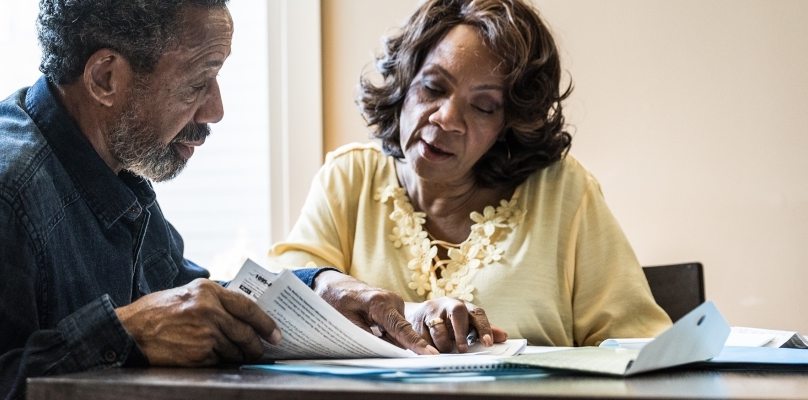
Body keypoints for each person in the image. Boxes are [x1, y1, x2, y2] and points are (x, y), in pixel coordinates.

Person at [0, 1, 502, 399]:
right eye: (199, 83)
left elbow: (194, 304)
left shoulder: (110, 172)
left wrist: (323, 289)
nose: (217, 110)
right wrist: (121, 334)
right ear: (107, 77)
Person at [269, 0, 672, 349]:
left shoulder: (564, 192)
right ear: (407, 79)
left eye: (483, 106)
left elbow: (639, 346)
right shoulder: (350, 176)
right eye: (432, 86)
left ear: (510, 124)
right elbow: (278, 305)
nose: (446, 119)